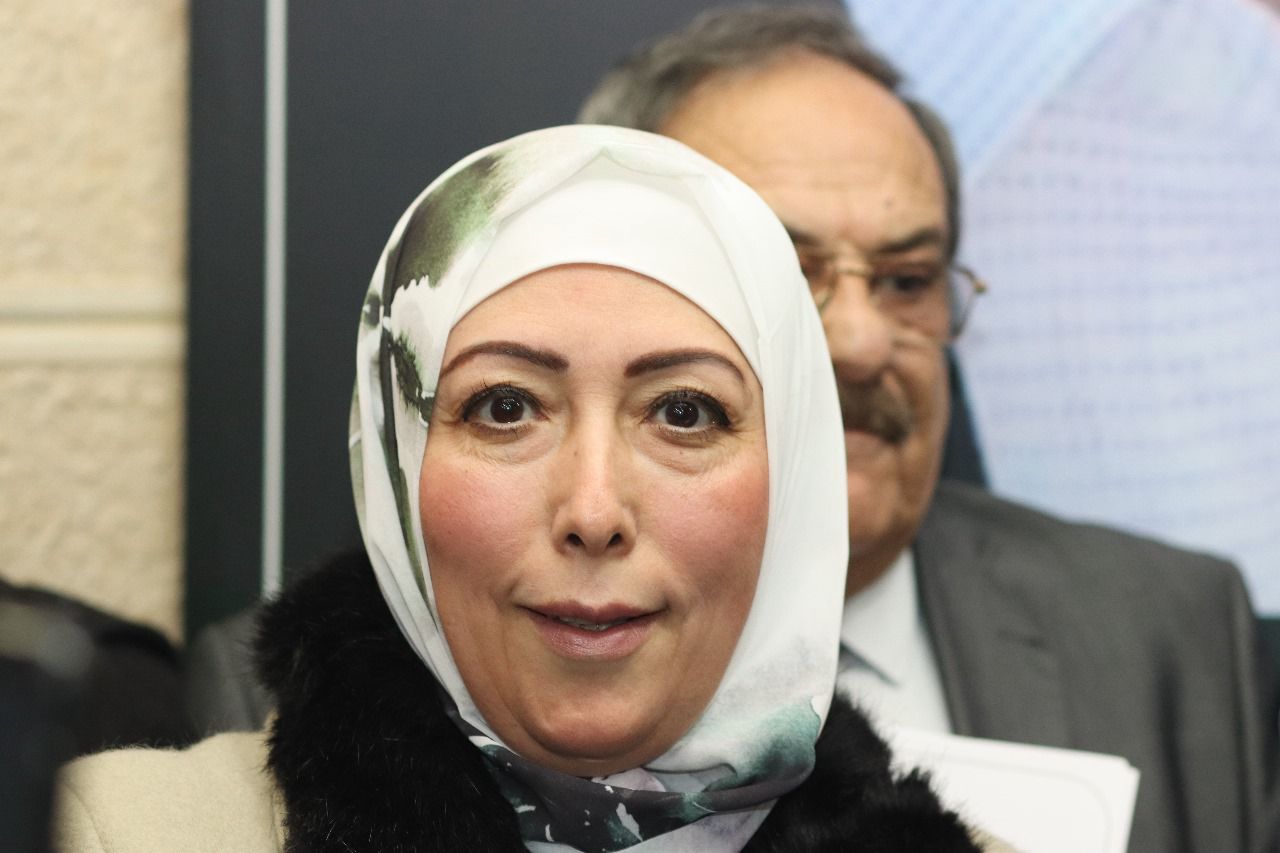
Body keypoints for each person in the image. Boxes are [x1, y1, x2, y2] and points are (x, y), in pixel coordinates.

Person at [53, 126, 998, 851]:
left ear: (789, 478)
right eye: (504, 407)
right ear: (396, 472)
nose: (593, 510)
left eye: (683, 412)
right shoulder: (119, 833)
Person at [578, 6, 1276, 852]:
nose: (862, 342)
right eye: (783, 270)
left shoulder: (1169, 631)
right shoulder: (500, 645)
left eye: (907, 280)